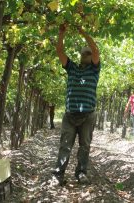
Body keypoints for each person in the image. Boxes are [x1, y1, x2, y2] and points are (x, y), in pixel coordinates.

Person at [51, 24, 101, 186]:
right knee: (65, 146)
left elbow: (96, 50)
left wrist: (83, 32)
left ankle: (81, 173)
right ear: (80, 56)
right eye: (84, 53)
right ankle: (58, 175)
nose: (87, 55)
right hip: (70, 115)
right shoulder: (71, 68)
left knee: (84, 146)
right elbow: (59, 51)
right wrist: (61, 32)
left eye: (89, 53)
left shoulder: (94, 70)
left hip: (88, 115)